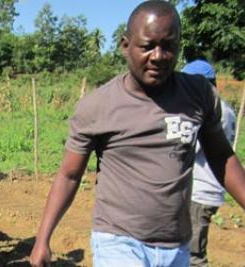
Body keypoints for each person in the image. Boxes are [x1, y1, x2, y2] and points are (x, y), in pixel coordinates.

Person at [29, 1, 245, 267]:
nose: (158, 56)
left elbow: (222, 156)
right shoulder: (98, 106)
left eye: (168, 46)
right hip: (119, 241)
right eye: (147, 46)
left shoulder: (198, 95)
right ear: (125, 45)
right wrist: (43, 238)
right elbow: (70, 174)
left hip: (177, 244)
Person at [182, 60, 237, 266]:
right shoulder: (226, 109)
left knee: (193, 256)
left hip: (200, 190)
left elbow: (187, 150)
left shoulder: (207, 111)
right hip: (211, 189)